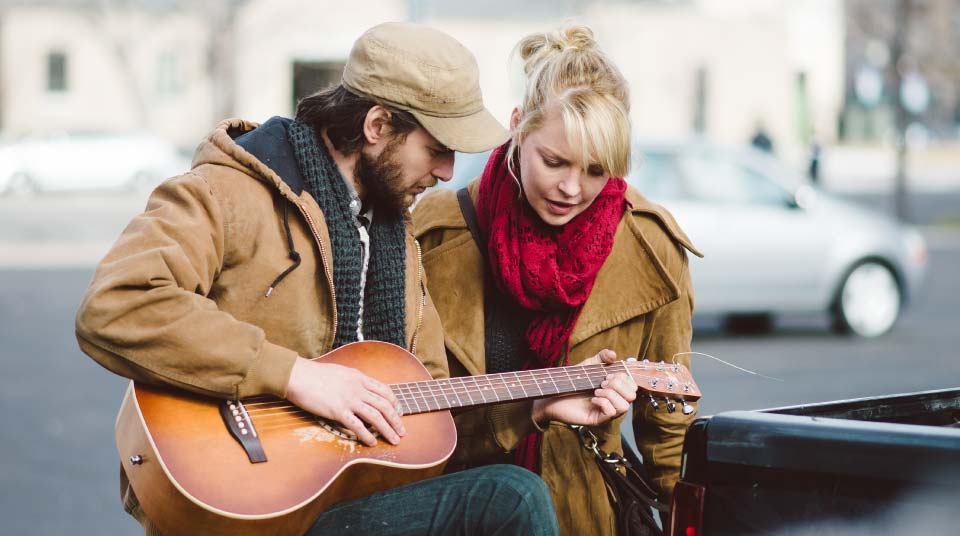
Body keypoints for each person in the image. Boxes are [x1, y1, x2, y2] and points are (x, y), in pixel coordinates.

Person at [75, 22, 558, 536]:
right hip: (246, 500)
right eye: (437, 148)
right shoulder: (228, 192)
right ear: (377, 126)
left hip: (348, 497)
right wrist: (295, 376)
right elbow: (116, 304)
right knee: (513, 498)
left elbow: (427, 409)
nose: (446, 171)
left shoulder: (395, 233)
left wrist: (536, 407)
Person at [413, 25, 702, 534]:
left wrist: (677, 514)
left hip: (588, 516)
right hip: (457, 508)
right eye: (554, 161)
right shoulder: (435, 234)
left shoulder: (651, 246)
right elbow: (407, 413)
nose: (572, 188)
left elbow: (667, 427)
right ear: (518, 127)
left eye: (596, 170)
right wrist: (531, 410)